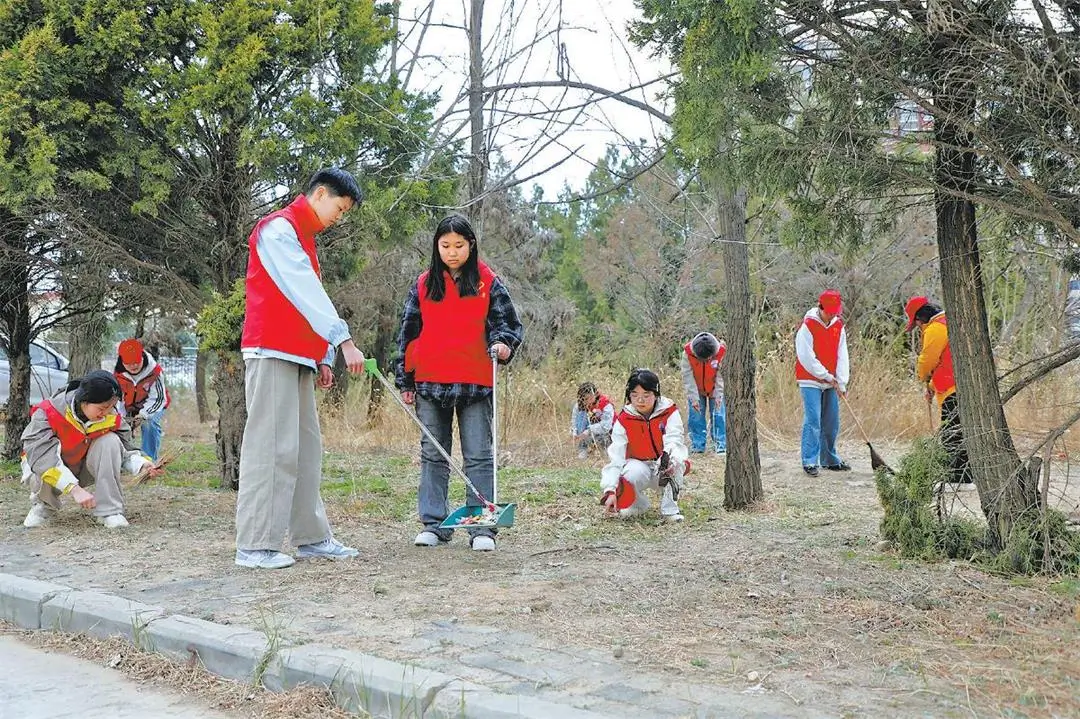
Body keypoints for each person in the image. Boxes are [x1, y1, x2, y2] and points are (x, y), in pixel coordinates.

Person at [235, 167, 367, 570]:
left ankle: (311, 537)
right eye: (339, 209)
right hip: (270, 350)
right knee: (271, 448)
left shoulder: (304, 237)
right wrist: (342, 340)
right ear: (320, 194)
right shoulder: (278, 229)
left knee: (306, 451)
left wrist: (321, 355)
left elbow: (306, 302)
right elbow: (303, 290)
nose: (338, 218)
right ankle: (256, 545)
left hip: (298, 356)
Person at [395, 214, 525, 553]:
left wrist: (503, 345)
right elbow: (407, 332)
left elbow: (508, 324)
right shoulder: (423, 284)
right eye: (445, 246)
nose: (452, 252)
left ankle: (481, 527)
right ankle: (433, 524)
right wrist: (405, 379)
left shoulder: (487, 282)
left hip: (475, 382)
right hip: (430, 382)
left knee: (479, 455)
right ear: (436, 247)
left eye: (459, 245)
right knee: (433, 454)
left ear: (471, 246)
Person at [20, 370, 164, 529]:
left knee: (110, 441)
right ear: (84, 400)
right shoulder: (48, 413)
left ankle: (110, 511)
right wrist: (74, 489)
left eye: (111, 407)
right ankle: (43, 506)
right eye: (102, 408)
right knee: (42, 464)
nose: (106, 413)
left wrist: (142, 465)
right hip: (51, 468)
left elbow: (125, 448)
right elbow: (42, 459)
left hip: (84, 466)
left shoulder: (110, 416)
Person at [600, 368, 688, 523]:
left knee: (675, 463)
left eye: (646, 395)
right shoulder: (624, 419)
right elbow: (616, 457)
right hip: (639, 465)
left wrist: (670, 460)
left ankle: (670, 511)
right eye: (635, 395)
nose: (640, 400)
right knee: (631, 472)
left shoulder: (669, 412)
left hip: (662, 465)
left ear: (656, 394)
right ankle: (637, 506)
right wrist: (610, 489)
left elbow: (674, 440)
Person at [905, 296, 972, 484]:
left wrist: (922, 376)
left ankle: (959, 476)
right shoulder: (948, 322)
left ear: (921, 316)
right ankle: (961, 474)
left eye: (917, 323)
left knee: (952, 433)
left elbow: (928, 360)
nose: (918, 327)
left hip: (952, 387)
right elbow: (944, 360)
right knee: (956, 430)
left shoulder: (935, 328)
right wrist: (931, 386)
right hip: (956, 384)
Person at [795, 289, 851, 477]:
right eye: (830, 312)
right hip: (810, 379)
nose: (832, 315)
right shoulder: (808, 325)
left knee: (831, 421)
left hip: (831, 381)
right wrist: (825, 375)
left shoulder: (838, 326)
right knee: (813, 420)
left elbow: (842, 355)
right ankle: (810, 461)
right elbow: (806, 357)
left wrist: (841, 382)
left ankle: (829, 459)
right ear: (820, 307)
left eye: (835, 312)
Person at [114, 338, 170, 461]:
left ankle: (148, 460)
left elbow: (158, 399)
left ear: (142, 357)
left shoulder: (155, 372)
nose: (133, 365)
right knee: (118, 425)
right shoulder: (117, 375)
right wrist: (122, 417)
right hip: (128, 406)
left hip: (154, 405)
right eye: (129, 362)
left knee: (149, 424)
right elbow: (118, 399)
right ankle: (124, 459)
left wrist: (143, 415)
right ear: (122, 361)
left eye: (136, 361)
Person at [680, 332, 727, 454]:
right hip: (696, 389)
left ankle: (720, 445)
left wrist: (718, 395)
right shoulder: (687, 353)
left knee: (718, 415)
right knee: (695, 416)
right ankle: (698, 446)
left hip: (715, 388)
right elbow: (687, 376)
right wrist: (693, 398)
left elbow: (721, 376)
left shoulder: (721, 352)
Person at [570, 381, 614, 459]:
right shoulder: (580, 405)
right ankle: (583, 448)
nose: (586, 401)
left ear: (595, 394)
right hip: (588, 433)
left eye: (588, 398)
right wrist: (574, 431)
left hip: (606, 433)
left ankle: (604, 450)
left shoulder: (606, 405)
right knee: (581, 415)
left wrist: (589, 430)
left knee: (604, 442)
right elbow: (574, 420)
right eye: (584, 399)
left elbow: (606, 426)